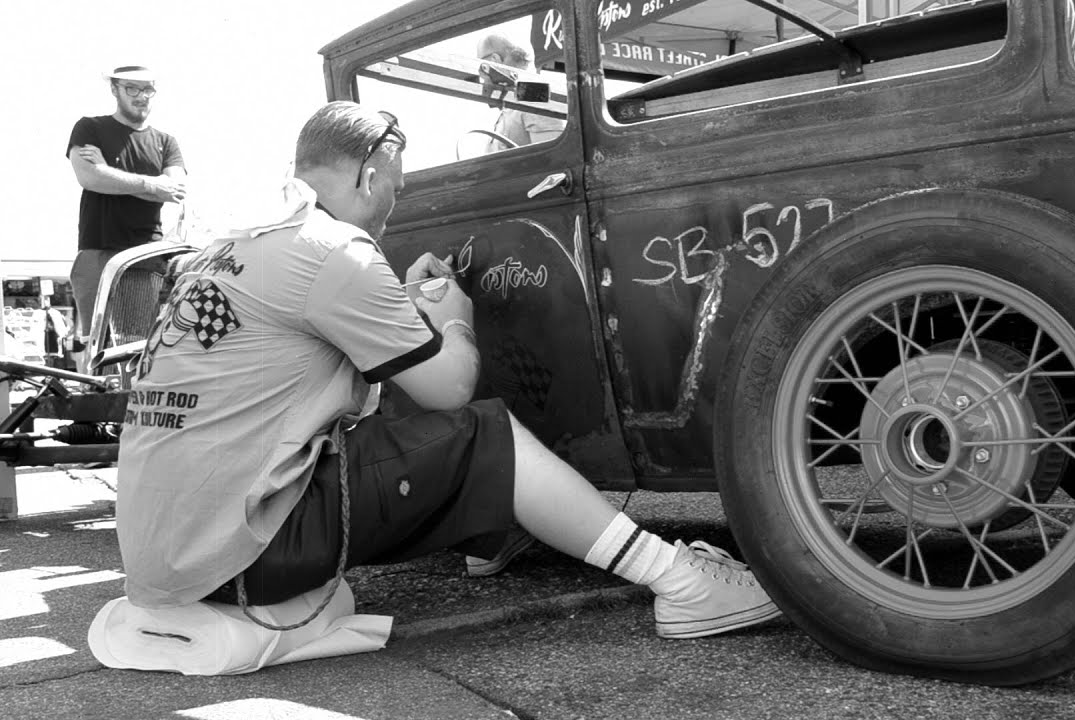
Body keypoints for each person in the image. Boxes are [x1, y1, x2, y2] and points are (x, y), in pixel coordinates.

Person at [115, 101, 780, 643]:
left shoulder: (233, 242)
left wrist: (398, 302)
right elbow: (450, 388)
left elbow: (304, 336)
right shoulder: (336, 250)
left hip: (163, 561)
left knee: (406, 413)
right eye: (395, 191)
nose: (392, 209)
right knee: (479, 429)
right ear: (370, 175)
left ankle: (498, 529)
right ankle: (676, 580)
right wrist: (456, 318)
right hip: (240, 561)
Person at [65, 65, 186, 368]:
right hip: (97, 252)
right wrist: (151, 183)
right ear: (114, 89)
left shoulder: (166, 142)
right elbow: (89, 179)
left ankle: (133, 411)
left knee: (137, 347)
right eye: (132, 88)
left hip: (146, 255)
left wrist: (107, 171)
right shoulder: (89, 127)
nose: (141, 96)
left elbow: (176, 190)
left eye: (147, 89)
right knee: (96, 349)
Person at [476, 34, 566, 153]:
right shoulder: (513, 102)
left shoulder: (534, 97)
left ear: (494, 60)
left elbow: (552, 159)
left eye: (482, 67)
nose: (481, 76)